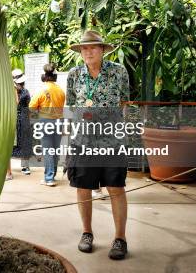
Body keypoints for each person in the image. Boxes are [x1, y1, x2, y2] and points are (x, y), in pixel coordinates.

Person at [65, 30, 130, 260]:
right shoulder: (73, 75)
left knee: (115, 188)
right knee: (83, 188)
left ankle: (120, 238)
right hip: (83, 141)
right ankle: (87, 233)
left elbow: (124, 102)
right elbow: (70, 106)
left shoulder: (119, 72)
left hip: (112, 141)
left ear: (103, 50)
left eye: (93, 47)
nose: (88, 51)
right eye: (84, 48)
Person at [29, 63, 65, 187]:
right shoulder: (60, 90)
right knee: (55, 149)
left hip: (46, 122)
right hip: (59, 121)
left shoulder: (41, 90)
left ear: (44, 76)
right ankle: (52, 174)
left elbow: (32, 107)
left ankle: (49, 178)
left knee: (48, 150)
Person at [12, 71, 32, 175]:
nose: (21, 84)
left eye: (22, 83)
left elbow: (19, 104)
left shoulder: (25, 92)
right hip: (13, 119)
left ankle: (25, 166)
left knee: (25, 142)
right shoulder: (10, 92)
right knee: (12, 143)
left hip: (23, 119)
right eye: (20, 83)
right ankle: (8, 169)